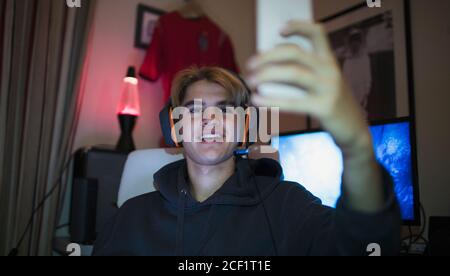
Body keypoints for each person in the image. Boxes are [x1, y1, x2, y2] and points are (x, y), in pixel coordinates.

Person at [93, 20, 400, 256]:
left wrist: (358, 150)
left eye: (224, 110)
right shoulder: (132, 216)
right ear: (176, 128)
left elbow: (367, 247)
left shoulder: (288, 206)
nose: (210, 119)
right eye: (194, 110)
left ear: (245, 127)